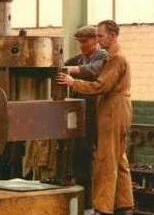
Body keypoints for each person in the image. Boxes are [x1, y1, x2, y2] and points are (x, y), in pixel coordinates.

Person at [57, 20, 134, 215]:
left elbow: (101, 86)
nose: (98, 40)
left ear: (112, 35)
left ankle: (102, 208)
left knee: (105, 160)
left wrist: (73, 83)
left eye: (100, 36)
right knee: (118, 159)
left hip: (112, 111)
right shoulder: (112, 56)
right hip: (116, 110)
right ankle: (124, 204)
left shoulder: (116, 58)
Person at [63, 25, 108, 211]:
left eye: (85, 41)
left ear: (96, 40)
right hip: (79, 113)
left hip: (96, 114)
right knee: (79, 156)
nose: (81, 45)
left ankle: (91, 204)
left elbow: (94, 70)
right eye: (79, 42)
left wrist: (70, 71)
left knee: (90, 158)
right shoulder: (78, 59)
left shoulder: (103, 56)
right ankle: (84, 203)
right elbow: (63, 66)